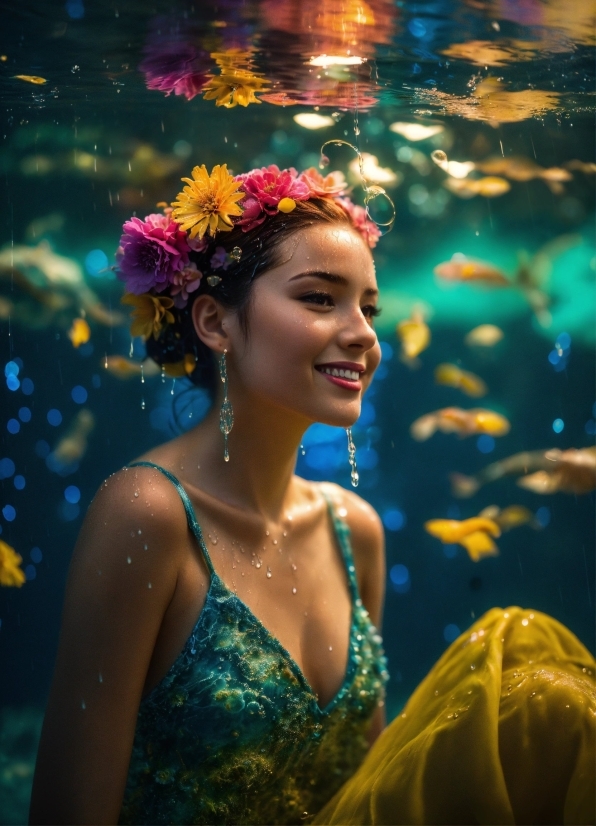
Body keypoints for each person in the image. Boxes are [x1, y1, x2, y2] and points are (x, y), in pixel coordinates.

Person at [29, 163, 595, 826]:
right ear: (214, 321)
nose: (362, 333)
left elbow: (375, 792)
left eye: (368, 307)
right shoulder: (146, 514)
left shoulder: (355, 529)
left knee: (540, 690)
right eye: (321, 299)